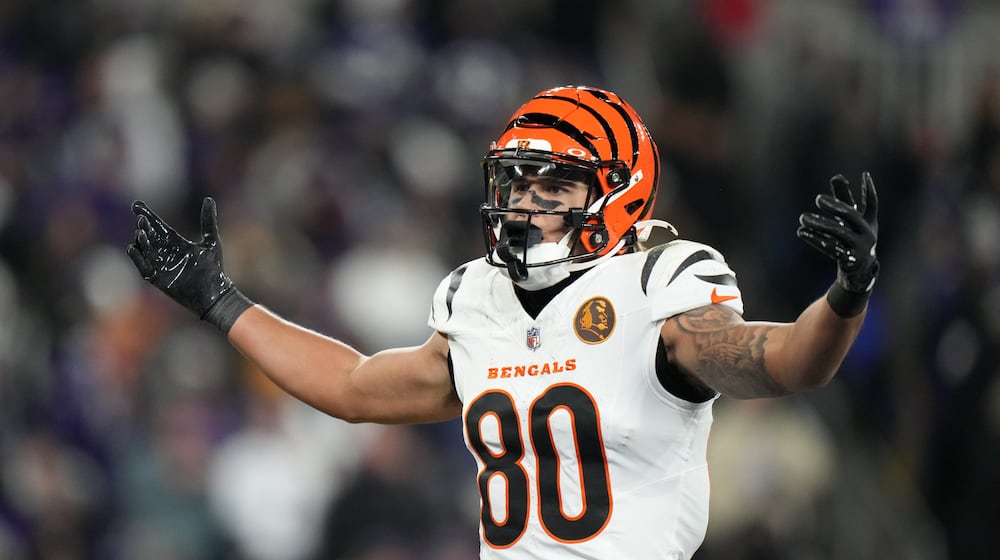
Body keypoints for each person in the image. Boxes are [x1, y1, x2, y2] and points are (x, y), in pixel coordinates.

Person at [126, 85, 879, 559]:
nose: (525, 204)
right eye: (517, 184)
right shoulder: (477, 297)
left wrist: (845, 296)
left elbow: (784, 363)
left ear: (617, 196)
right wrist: (221, 302)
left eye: (554, 188)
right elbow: (354, 387)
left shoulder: (658, 281)